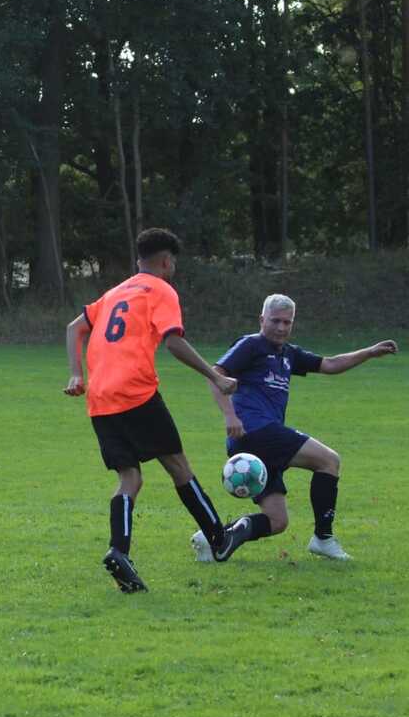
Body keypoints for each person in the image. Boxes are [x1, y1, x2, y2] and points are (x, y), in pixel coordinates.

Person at [64, 227, 245, 593]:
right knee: (178, 466)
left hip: (100, 399)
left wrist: (76, 374)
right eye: (173, 263)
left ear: (138, 260)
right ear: (166, 262)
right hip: (136, 392)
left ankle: (119, 551)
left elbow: (74, 328)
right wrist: (215, 376)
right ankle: (218, 537)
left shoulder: (115, 293)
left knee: (129, 478)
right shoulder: (161, 290)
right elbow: (174, 343)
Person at [191, 294, 398, 562]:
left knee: (277, 521)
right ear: (262, 319)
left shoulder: (289, 354)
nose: (281, 327)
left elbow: (330, 364)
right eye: (275, 321)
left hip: (256, 438)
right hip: (255, 430)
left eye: (287, 322)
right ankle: (323, 538)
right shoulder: (251, 345)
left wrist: (368, 352)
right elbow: (215, 374)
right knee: (329, 461)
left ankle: (213, 538)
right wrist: (230, 415)